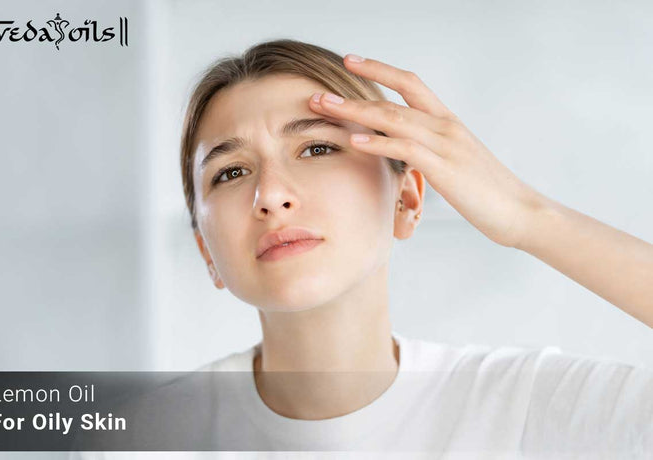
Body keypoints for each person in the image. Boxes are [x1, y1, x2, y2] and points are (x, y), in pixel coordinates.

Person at [76, 38, 653, 458]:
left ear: (407, 199)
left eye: (317, 149)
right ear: (206, 250)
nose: (270, 196)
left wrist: (528, 218)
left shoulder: (528, 410)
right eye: (230, 172)